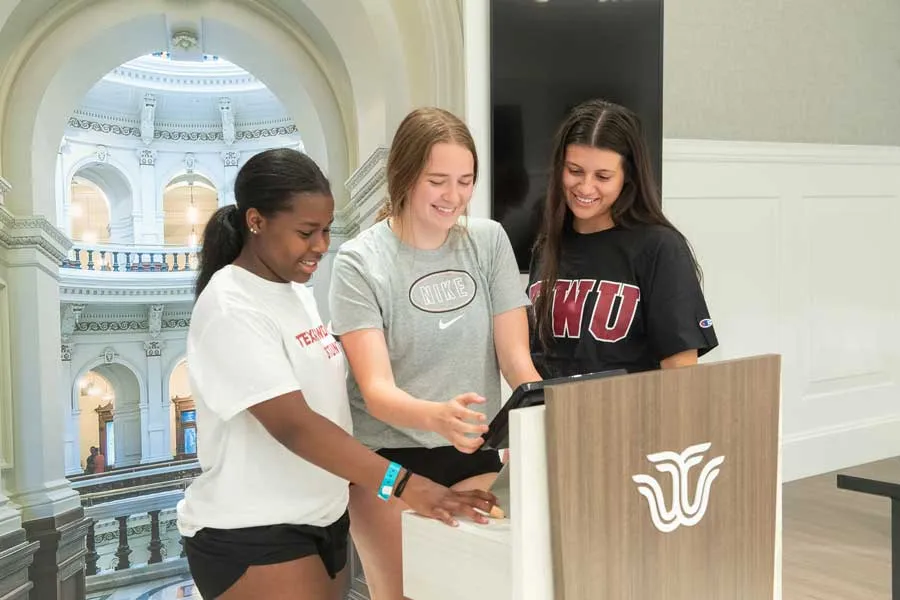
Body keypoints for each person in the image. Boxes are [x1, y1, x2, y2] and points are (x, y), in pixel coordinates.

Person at [175, 148, 496, 600]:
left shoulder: (293, 293)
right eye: (306, 232)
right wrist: (405, 485)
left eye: (325, 230)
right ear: (256, 221)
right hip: (256, 530)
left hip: (323, 519)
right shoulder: (229, 305)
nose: (322, 246)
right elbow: (296, 427)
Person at [329, 107, 541, 600]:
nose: (454, 197)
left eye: (465, 181)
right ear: (404, 176)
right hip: (386, 463)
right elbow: (376, 392)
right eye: (438, 181)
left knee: (483, 587)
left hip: (473, 452)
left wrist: (543, 409)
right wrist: (436, 417)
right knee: (400, 594)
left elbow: (516, 361)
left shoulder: (487, 242)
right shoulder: (361, 261)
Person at [528, 99, 718, 379]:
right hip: (552, 416)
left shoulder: (660, 248)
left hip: (629, 417)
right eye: (575, 171)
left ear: (627, 177)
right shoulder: (547, 246)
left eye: (603, 176)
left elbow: (680, 373)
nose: (585, 187)